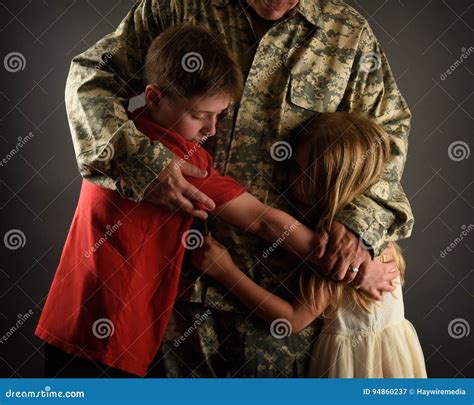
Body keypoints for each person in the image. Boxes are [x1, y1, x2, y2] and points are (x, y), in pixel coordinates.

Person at [63, 0, 413, 376]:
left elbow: (386, 138)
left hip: (281, 295)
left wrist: (359, 227)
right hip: (170, 292)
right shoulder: (173, 7)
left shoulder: (348, 33)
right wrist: (144, 162)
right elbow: (92, 77)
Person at [36, 25, 334, 377]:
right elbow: (260, 220)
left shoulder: (123, 133)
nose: (212, 129)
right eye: (199, 115)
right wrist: (342, 258)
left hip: (69, 318)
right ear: (155, 97)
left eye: (219, 115)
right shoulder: (178, 157)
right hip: (113, 336)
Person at [193, 112, 426, 378]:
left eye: (302, 172)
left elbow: (291, 320)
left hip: (353, 367)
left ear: (331, 185)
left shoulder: (340, 248)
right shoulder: (376, 235)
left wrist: (226, 272)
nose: (289, 177)